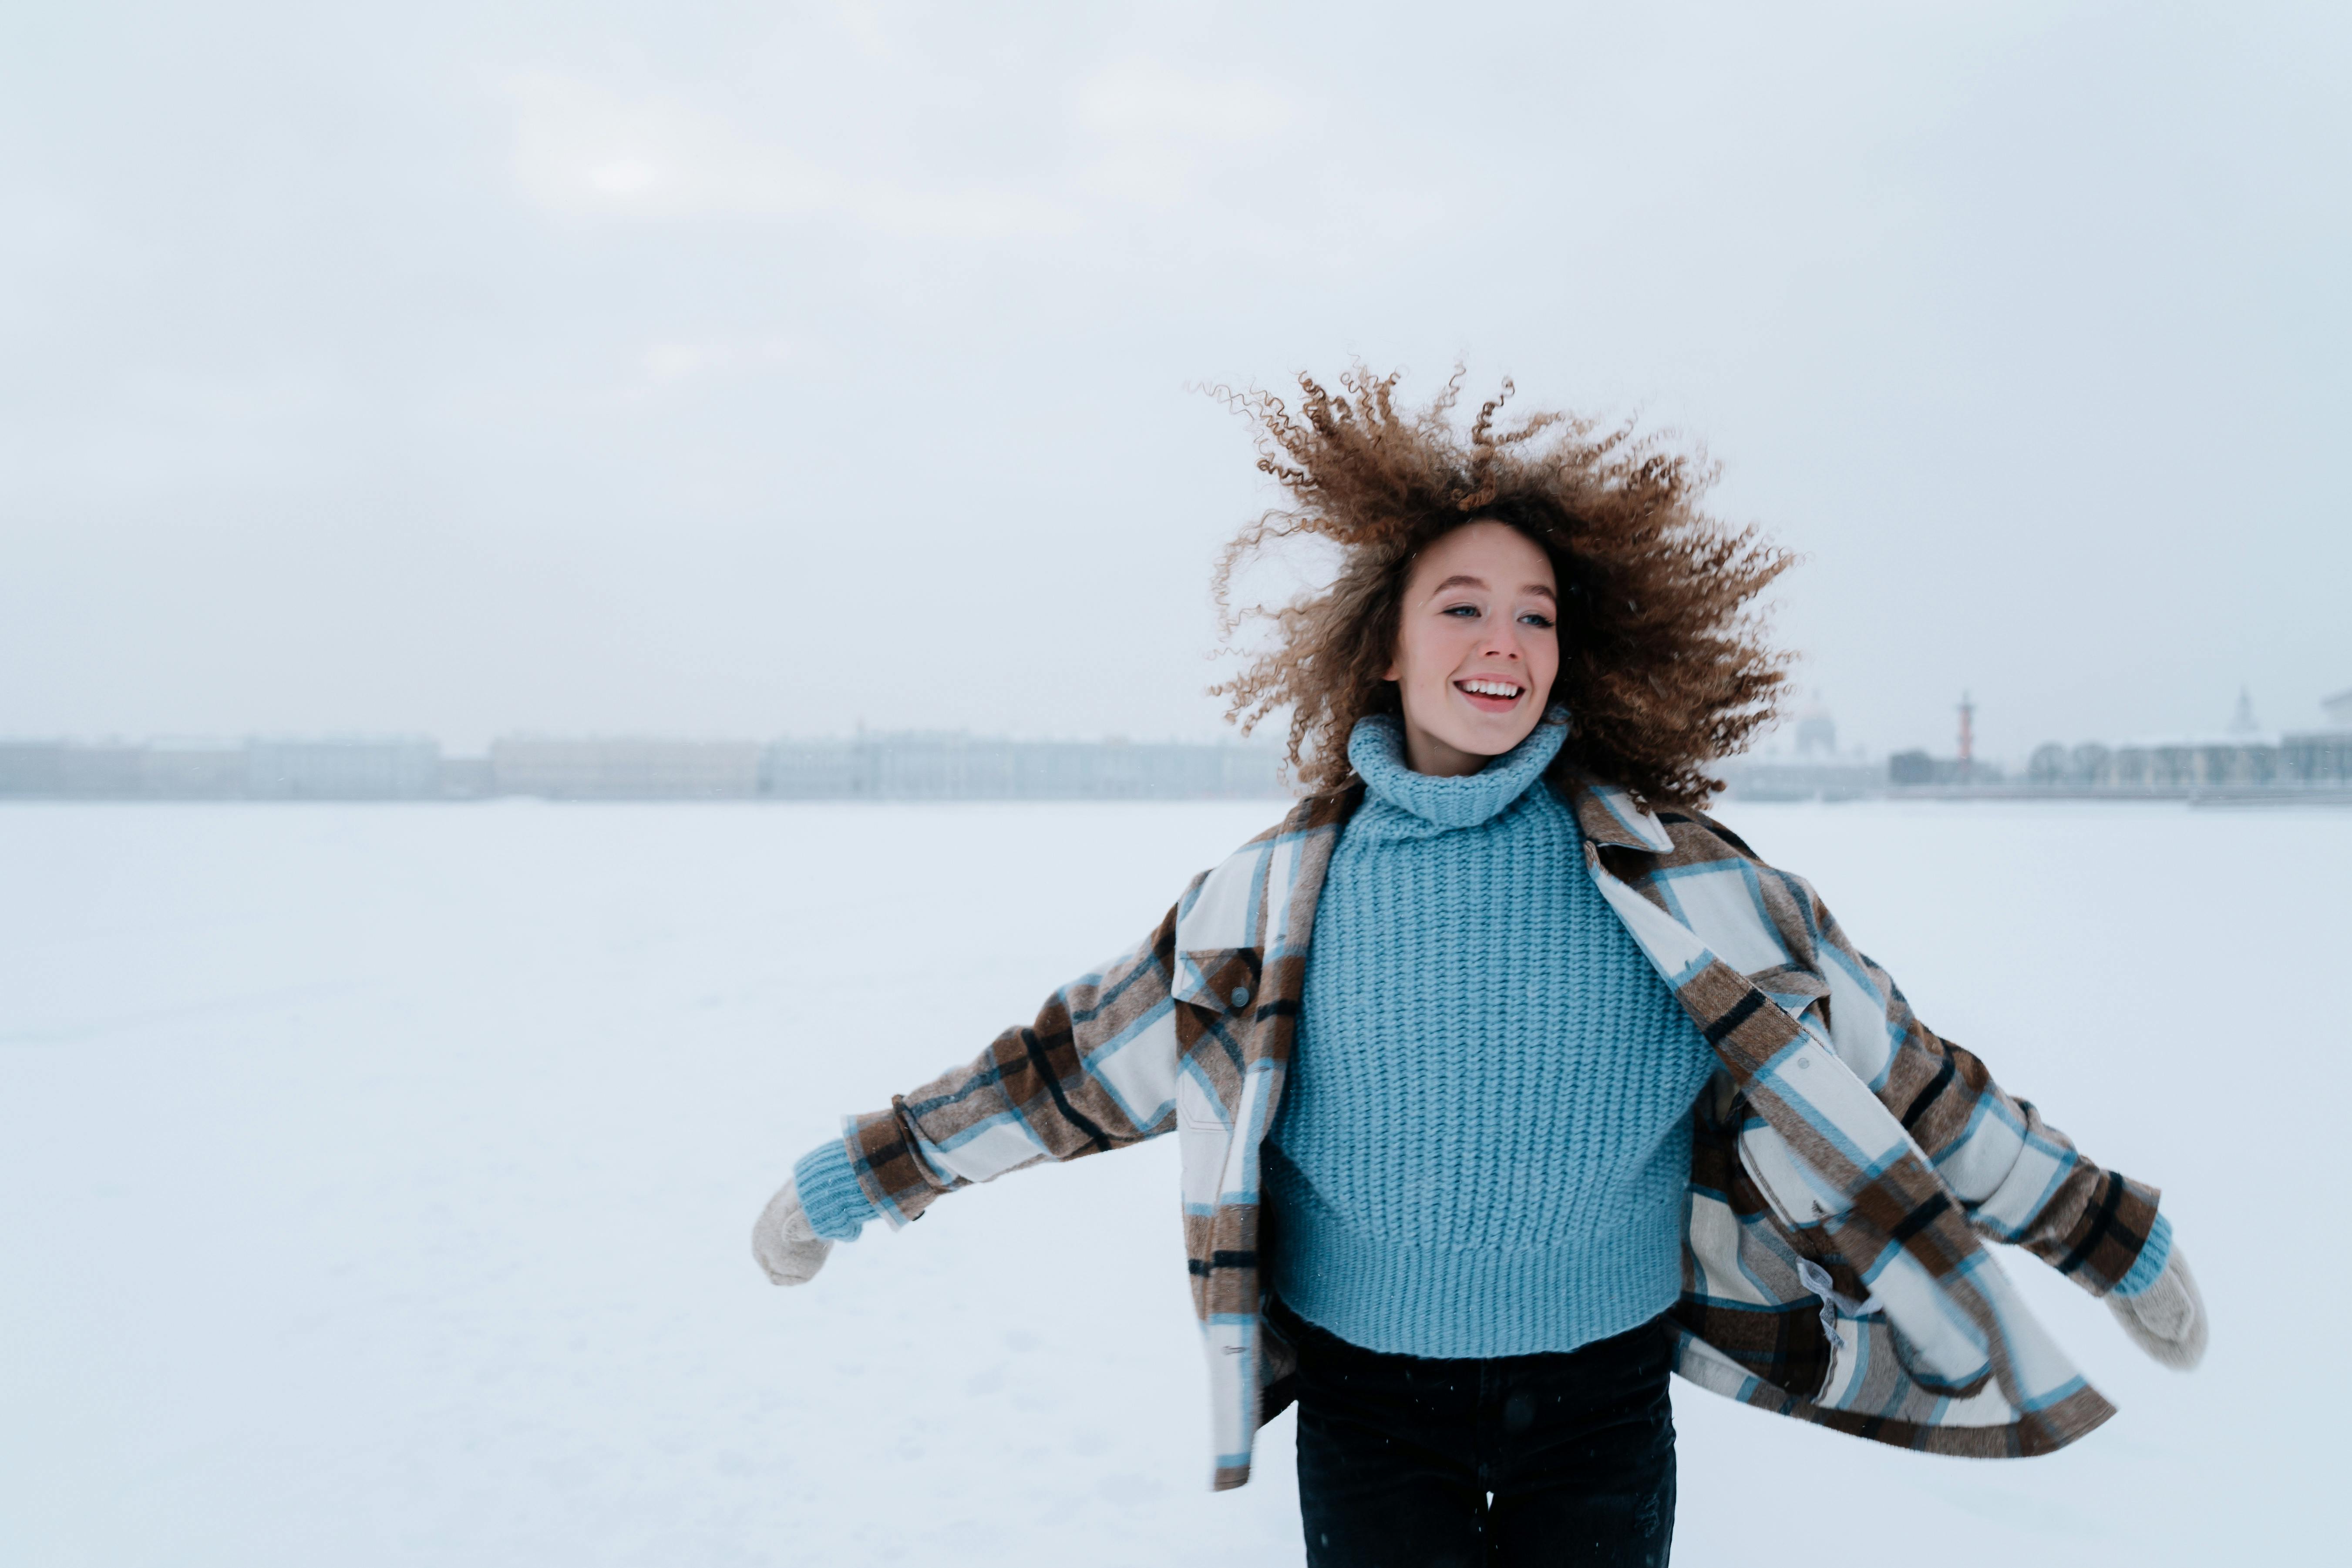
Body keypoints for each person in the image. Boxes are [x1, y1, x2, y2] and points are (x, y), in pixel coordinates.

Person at [750, 369, 2207, 1566]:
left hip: (1603, 1403)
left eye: (1536, 613)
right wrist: (861, 1177)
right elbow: (1069, 1066)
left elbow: (1914, 1079)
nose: (1502, 641)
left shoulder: (1686, 887)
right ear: (1379, 646)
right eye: (1460, 604)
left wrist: (2105, 1233)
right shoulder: (1273, 898)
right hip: (1369, 1409)